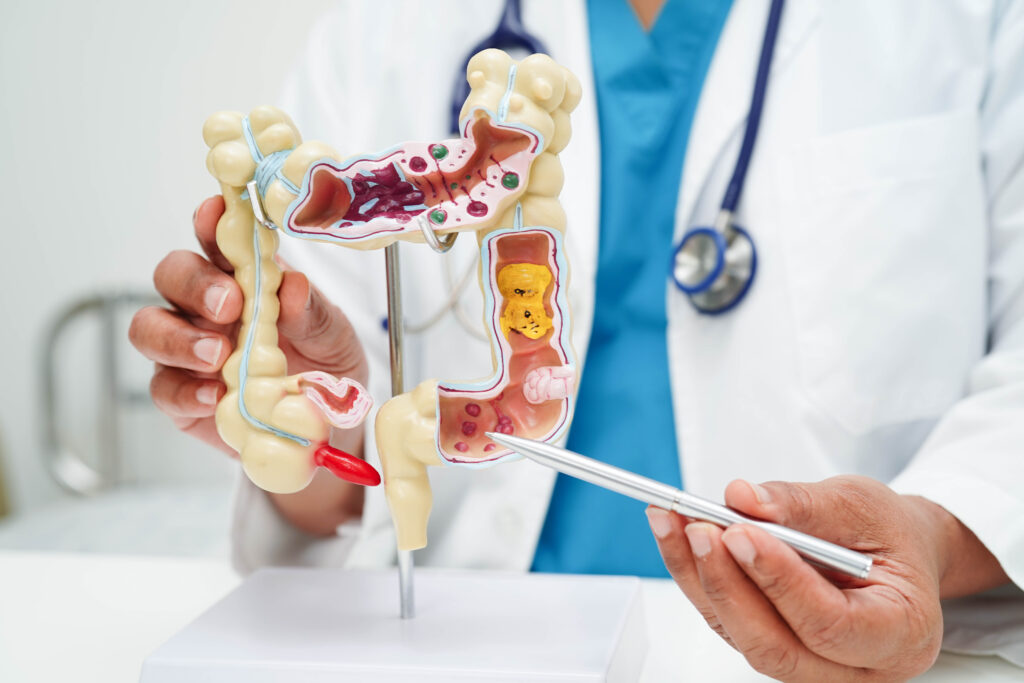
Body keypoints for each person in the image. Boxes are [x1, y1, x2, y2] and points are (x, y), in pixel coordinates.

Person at [129, 0, 1024, 679]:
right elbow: (329, 466)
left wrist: (938, 534)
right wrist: (306, 420)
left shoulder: (970, 21)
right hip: (472, 645)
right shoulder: (392, 24)